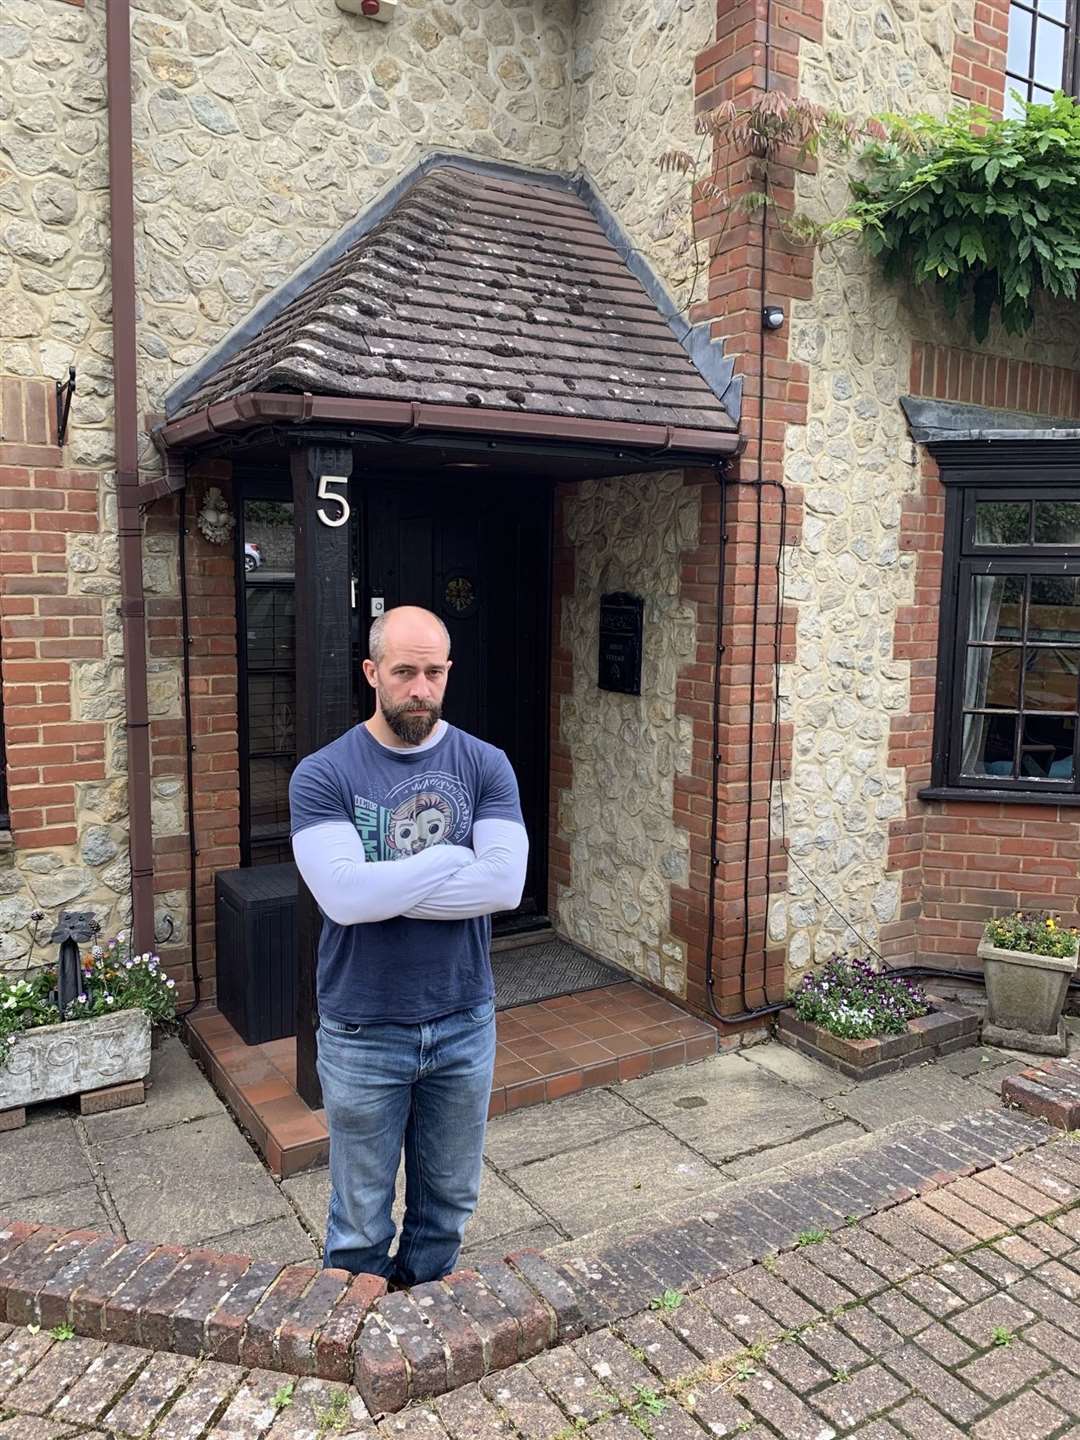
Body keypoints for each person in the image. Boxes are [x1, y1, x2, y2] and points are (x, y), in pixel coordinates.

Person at [288, 605, 528, 1286]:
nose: (418, 687)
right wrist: (453, 858)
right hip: (363, 1028)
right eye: (403, 672)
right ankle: (351, 1335)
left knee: (449, 1207)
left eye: (432, 671)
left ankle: (421, 1325)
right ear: (372, 673)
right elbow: (343, 899)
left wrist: (380, 888)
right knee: (360, 1219)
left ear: (448, 672)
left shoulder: (486, 765)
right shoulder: (323, 774)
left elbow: (506, 885)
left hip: (463, 1020)